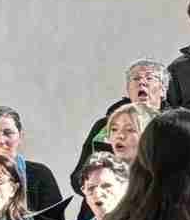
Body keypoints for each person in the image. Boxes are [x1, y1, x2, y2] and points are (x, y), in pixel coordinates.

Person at [69, 59, 166, 193]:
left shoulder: (174, 126)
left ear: (163, 90)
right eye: (135, 78)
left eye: (149, 78)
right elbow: (78, 177)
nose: (142, 82)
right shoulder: (104, 125)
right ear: (128, 90)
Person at [71, 101, 151, 220]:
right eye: (114, 129)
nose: (120, 135)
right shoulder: (100, 171)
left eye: (130, 130)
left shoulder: (157, 181)